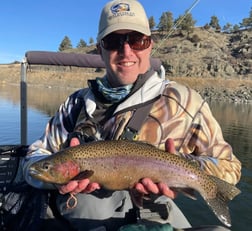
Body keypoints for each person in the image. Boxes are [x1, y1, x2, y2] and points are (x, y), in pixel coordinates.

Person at [22, 0, 241, 230]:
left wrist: (179, 168)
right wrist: (56, 183)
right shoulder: (75, 104)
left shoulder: (186, 102)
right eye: (114, 41)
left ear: (149, 45)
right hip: (86, 211)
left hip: (156, 209)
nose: (126, 51)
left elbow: (231, 168)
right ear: (100, 49)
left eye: (137, 40)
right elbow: (34, 160)